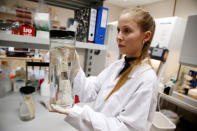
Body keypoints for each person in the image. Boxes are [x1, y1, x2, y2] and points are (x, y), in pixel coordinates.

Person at [49, 8, 158, 131]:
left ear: (146, 36)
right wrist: (74, 65)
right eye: (118, 30)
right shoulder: (117, 66)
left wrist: (76, 112)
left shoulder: (146, 79)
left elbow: (125, 128)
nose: (119, 37)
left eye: (127, 31)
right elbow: (89, 91)